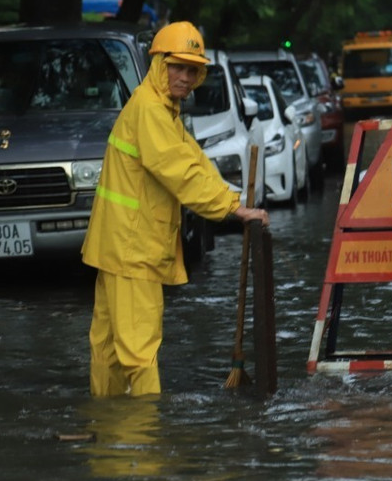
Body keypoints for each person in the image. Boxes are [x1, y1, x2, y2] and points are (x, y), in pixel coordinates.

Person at [81, 21, 269, 397]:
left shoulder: (161, 109)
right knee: (138, 350)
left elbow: (193, 160)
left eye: (191, 70)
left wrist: (231, 199)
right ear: (158, 64)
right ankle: (146, 439)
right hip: (132, 249)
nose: (184, 77)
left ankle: (110, 431)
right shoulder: (151, 110)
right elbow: (181, 173)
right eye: (177, 67)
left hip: (116, 245)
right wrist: (233, 209)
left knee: (109, 348)